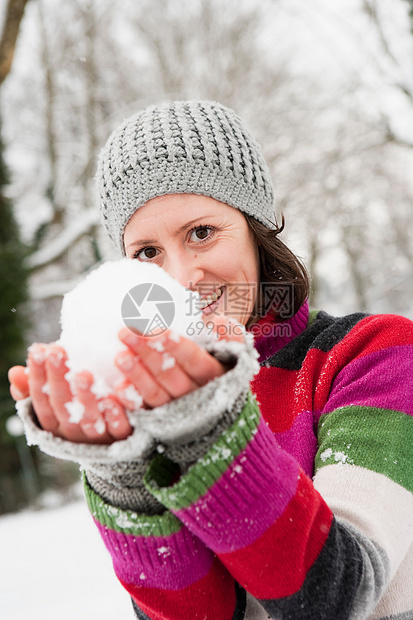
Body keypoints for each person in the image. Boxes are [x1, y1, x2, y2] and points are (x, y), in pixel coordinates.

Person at [8, 100, 413, 620]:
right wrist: (124, 476)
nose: (182, 278)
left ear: (256, 227)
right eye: (147, 253)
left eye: (201, 233)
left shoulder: (372, 354)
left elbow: (340, 594)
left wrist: (210, 435)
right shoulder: (154, 405)